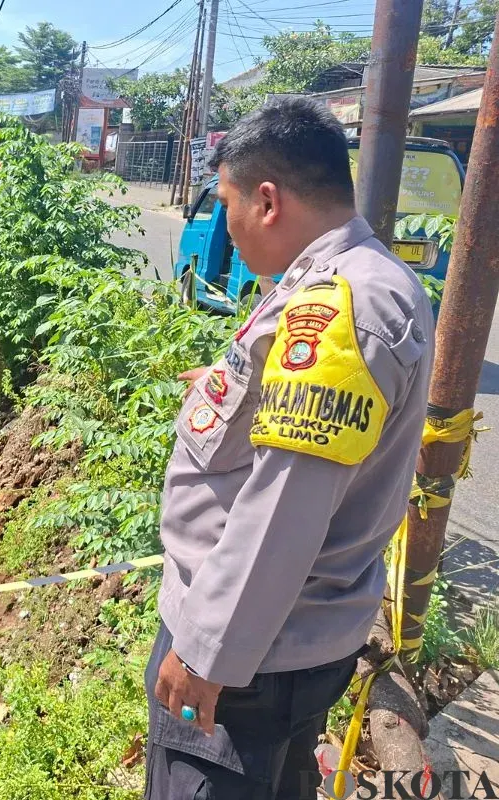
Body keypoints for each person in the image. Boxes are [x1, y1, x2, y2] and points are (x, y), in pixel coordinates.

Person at [144, 97, 434, 799]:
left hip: (249, 661)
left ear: (267, 200)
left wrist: (209, 650)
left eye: (229, 204)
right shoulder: (350, 282)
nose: (227, 228)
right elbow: (303, 432)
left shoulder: (343, 309)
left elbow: (285, 505)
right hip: (280, 645)